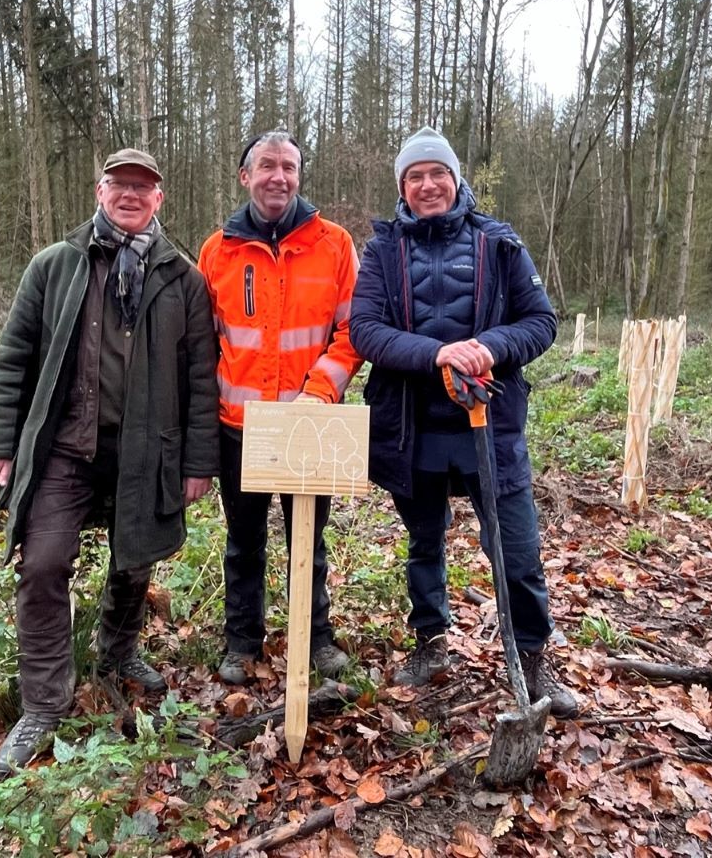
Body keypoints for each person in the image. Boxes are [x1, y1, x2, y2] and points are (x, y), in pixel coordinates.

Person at [0, 148, 220, 773]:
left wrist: (198, 462)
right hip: (65, 449)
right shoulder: (55, 265)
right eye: (120, 184)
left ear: (159, 199)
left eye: (144, 187)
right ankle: (43, 705)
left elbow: (200, 380)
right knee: (43, 563)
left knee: (135, 555)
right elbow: (12, 362)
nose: (131, 195)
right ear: (100, 190)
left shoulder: (182, 279)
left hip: (145, 450)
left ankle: (118, 652)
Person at [348, 127, 579, 718]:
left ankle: (531, 658)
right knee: (425, 542)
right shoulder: (381, 251)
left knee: (516, 548)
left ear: (456, 179)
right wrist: (438, 354)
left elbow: (541, 322)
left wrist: (490, 345)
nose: (428, 185)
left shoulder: (499, 244)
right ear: (403, 186)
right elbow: (365, 330)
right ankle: (430, 642)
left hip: (489, 425)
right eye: (415, 177)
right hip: (411, 430)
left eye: (437, 174)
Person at [198, 130, 365, 685]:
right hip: (237, 427)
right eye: (266, 166)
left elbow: (352, 331)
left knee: (308, 542)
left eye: (289, 167)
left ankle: (314, 638)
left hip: (308, 423)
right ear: (245, 177)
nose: (279, 176)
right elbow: (204, 341)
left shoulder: (335, 244)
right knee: (243, 543)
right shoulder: (216, 250)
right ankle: (241, 643)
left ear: (299, 176)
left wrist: (318, 391)